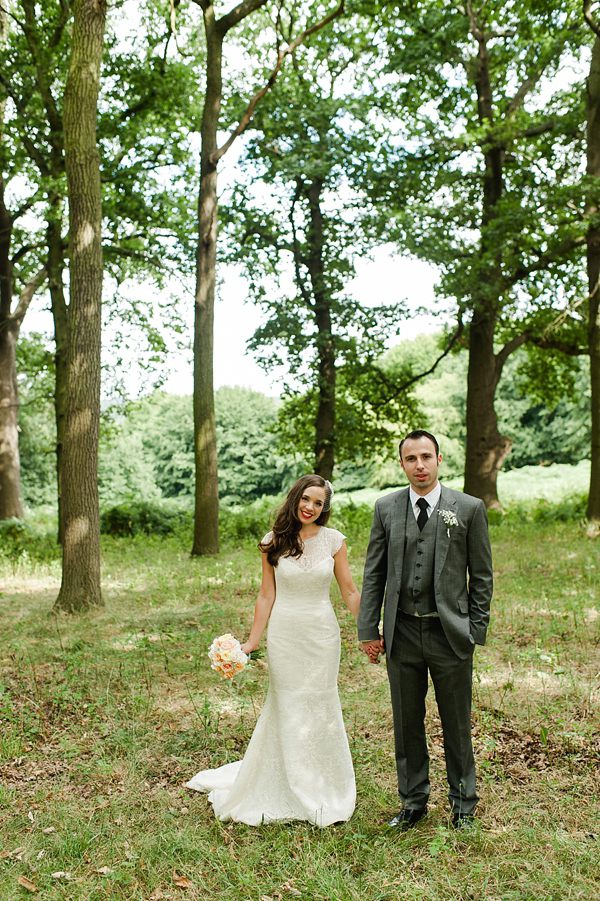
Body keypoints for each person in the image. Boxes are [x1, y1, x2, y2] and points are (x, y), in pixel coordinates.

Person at [186, 474, 361, 827]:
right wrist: (250, 643)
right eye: (306, 499)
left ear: (324, 508)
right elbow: (266, 595)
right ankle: (283, 781)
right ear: (295, 497)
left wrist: (372, 629)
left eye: (318, 503)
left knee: (321, 703)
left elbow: (349, 591)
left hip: (322, 636)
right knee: (289, 703)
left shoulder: (333, 541)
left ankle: (323, 783)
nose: (310, 507)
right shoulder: (273, 542)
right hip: (285, 634)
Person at [357, 430, 493, 829]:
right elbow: (374, 574)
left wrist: (474, 629)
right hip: (401, 634)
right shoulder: (386, 508)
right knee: (406, 722)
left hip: (449, 634)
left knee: (456, 722)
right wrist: (369, 628)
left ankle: (463, 804)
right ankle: (413, 802)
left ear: (438, 459)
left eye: (426, 457)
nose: (419, 465)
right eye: (411, 458)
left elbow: (481, 575)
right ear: (402, 464)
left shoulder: (467, 508)